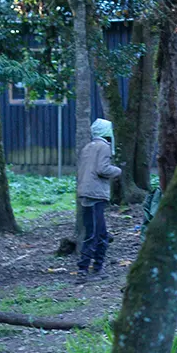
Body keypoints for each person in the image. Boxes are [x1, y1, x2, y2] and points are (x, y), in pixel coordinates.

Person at [76, 119, 122, 278]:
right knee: (97, 233)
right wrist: (117, 171)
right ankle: (89, 268)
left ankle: (91, 267)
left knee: (96, 232)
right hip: (96, 193)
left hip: (85, 192)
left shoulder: (88, 147)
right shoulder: (104, 147)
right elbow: (103, 169)